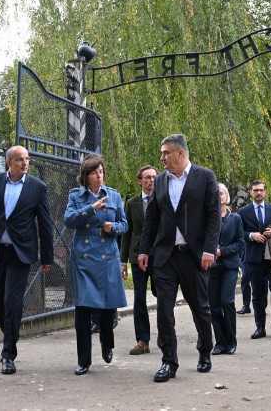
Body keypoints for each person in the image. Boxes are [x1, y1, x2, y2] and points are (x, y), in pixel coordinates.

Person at [138, 134, 220, 383]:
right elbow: (152, 218)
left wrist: (209, 249)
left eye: (165, 153)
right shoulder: (160, 181)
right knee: (164, 310)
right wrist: (144, 249)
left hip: (193, 256)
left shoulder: (205, 177)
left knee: (200, 309)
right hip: (165, 256)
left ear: (180, 153)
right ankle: (168, 362)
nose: (161, 158)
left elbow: (213, 216)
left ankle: (205, 352)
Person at [0, 145, 53, 375]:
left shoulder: (37, 187)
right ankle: (11, 332)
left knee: (12, 302)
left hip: (21, 253)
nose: (25, 163)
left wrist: (47, 257)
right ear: (9, 163)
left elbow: (45, 224)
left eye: (27, 159)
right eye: (19, 159)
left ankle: (8, 354)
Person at [64, 154, 128, 375]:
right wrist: (91, 208)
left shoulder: (114, 196)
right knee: (82, 309)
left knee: (108, 306)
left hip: (107, 256)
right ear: (86, 176)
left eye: (101, 172)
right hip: (83, 257)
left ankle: (107, 342)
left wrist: (114, 228)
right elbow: (69, 220)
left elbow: (124, 224)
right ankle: (84, 360)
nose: (99, 176)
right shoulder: (76, 196)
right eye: (94, 172)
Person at [238, 180, 271, 339]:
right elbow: (239, 233)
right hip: (253, 259)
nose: (258, 193)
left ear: (265, 192)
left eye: (261, 190)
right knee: (258, 294)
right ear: (251, 193)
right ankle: (260, 327)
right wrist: (251, 235)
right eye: (255, 190)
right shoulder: (243, 211)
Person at [120, 165, 159, 355]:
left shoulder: (164, 200)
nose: (151, 180)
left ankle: (165, 333)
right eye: (147, 177)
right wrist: (122, 261)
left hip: (160, 257)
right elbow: (127, 233)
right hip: (137, 257)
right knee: (139, 298)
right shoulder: (132, 203)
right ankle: (142, 340)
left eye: (154, 177)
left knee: (164, 295)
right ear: (140, 181)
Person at [210, 183, 245, 355]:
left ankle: (231, 341)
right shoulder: (207, 217)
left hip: (230, 265)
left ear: (227, 196)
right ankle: (220, 342)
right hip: (211, 267)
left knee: (227, 302)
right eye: (216, 193)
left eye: (222, 193)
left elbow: (240, 243)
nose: (219, 196)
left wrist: (221, 252)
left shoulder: (236, 218)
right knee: (214, 306)